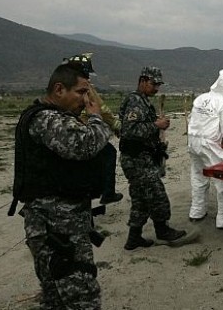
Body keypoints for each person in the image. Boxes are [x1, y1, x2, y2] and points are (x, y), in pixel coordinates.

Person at [12, 60, 112, 309]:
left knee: (56, 297)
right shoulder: (46, 119)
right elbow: (86, 145)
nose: (85, 99)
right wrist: (97, 118)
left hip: (59, 224)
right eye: (80, 92)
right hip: (57, 228)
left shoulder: (54, 117)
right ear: (59, 90)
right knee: (82, 297)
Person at [119, 66, 194, 250]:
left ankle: (133, 238)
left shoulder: (142, 101)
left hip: (140, 157)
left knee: (141, 199)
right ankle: (163, 231)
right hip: (137, 159)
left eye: (158, 85)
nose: (156, 88)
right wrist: (156, 125)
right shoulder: (135, 102)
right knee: (157, 194)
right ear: (143, 81)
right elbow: (129, 131)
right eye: (153, 84)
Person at [187, 69, 223, 229]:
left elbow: (193, 120)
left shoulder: (201, 98)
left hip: (193, 142)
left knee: (198, 178)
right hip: (209, 145)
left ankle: (197, 213)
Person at [66, 53, 123, 205]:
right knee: (109, 153)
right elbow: (101, 108)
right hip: (85, 129)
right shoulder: (85, 87)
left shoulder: (64, 85)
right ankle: (107, 193)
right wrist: (116, 125)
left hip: (69, 130)